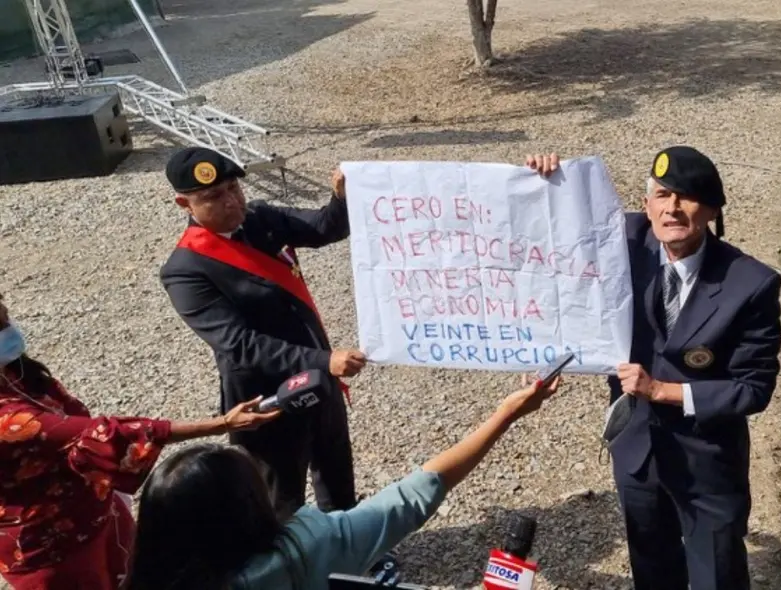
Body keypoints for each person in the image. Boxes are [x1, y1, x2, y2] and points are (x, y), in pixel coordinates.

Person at [527, 147, 781, 590]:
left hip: (707, 461)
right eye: (662, 195)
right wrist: (545, 183)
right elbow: (548, 233)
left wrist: (663, 391)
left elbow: (753, 388)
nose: (673, 208)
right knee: (653, 572)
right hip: (638, 453)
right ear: (646, 204)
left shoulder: (751, 284)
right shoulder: (620, 244)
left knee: (717, 575)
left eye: (687, 197)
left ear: (712, 210)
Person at [124, 376, 561, 590]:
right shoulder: (307, 544)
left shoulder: (141, 577)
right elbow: (413, 495)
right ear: (247, 507)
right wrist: (506, 414)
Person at [0, 293, 280, 590]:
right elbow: (102, 434)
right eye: (0, 325)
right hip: (52, 549)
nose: (9, 330)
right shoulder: (7, 420)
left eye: (6, 318)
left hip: (97, 516)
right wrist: (221, 424)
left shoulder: (16, 374)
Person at [159, 147, 367, 524]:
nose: (230, 201)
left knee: (336, 468)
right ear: (183, 203)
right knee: (281, 496)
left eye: (233, 188)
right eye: (213, 197)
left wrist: (341, 197)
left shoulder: (262, 219)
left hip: (319, 377)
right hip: (266, 397)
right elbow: (241, 345)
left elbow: (325, 226)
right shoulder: (185, 271)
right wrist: (325, 360)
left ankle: (346, 551)